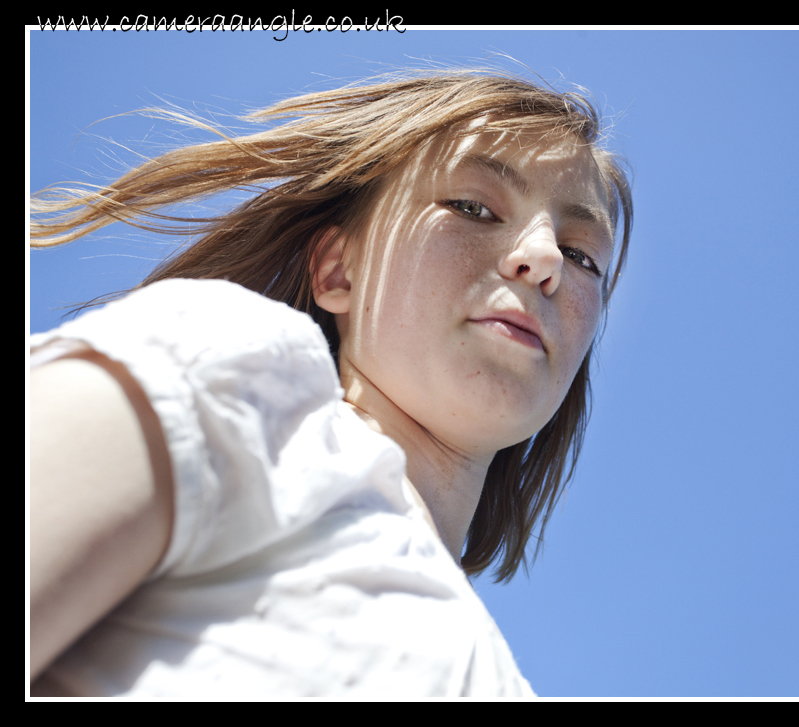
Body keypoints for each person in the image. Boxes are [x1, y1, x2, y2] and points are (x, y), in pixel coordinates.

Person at [29, 70, 633, 697]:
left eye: (582, 254)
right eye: (473, 207)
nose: (545, 260)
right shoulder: (234, 382)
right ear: (338, 270)